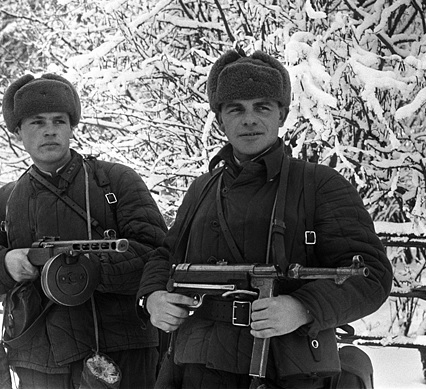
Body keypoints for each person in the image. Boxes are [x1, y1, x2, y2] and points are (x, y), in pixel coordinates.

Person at [136, 49, 393, 388]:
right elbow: (166, 256)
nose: (249, 119)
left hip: (284, 369)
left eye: (262, 107)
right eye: (236, 109)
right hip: (196, 369)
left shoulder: (319, 185)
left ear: (282, 114)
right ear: (220, 118)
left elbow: (370, 276)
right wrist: (153, 297)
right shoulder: (203, 188)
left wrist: (302, 308)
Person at [0, 73, 168, 388]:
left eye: (59, 121)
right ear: (18, 132)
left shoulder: (116, 182)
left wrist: (86, 270)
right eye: (37, 122)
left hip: (120, 359)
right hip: (39, 364)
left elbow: (157, 255)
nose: (50, 130)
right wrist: (6, 264)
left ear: (70, 127)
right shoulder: (3, 202)